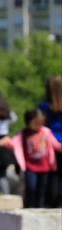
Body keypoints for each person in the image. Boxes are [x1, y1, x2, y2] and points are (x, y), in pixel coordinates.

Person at [10, 108, 62, 208]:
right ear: (29, 121)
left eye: (40, 123)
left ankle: (39, 208)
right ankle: (29, 206)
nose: (38, 126)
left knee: (42, 189)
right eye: (35, 123)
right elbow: (14, 144)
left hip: (44, 166)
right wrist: (7, 142)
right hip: (30, 166)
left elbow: (55, 144)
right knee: (31, 187)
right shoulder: (23, 133)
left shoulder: (46, 132)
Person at [40, 75, 62, 207]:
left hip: (50, 143)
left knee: (53, 176)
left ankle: (52, 204)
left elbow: (41, 125)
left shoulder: (43, 105)